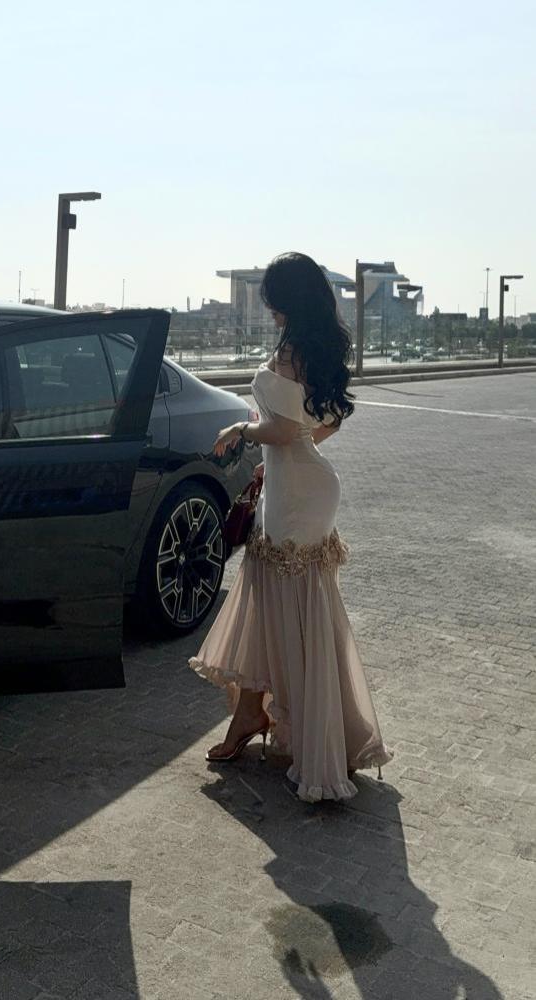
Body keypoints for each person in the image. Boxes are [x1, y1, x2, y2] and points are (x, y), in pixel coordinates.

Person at [188, 252, 393, 802]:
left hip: (297, 495)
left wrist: (241, 429)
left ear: (288, 300)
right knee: (283, 603)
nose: (269, 309)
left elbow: (282, 428)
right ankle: (254, 715)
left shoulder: (292, 352)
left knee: (284, 603)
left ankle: (269, 722)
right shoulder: (314, 349)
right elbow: (323, 423)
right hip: (301, 484)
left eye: (273, 300)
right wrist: (278, 457)